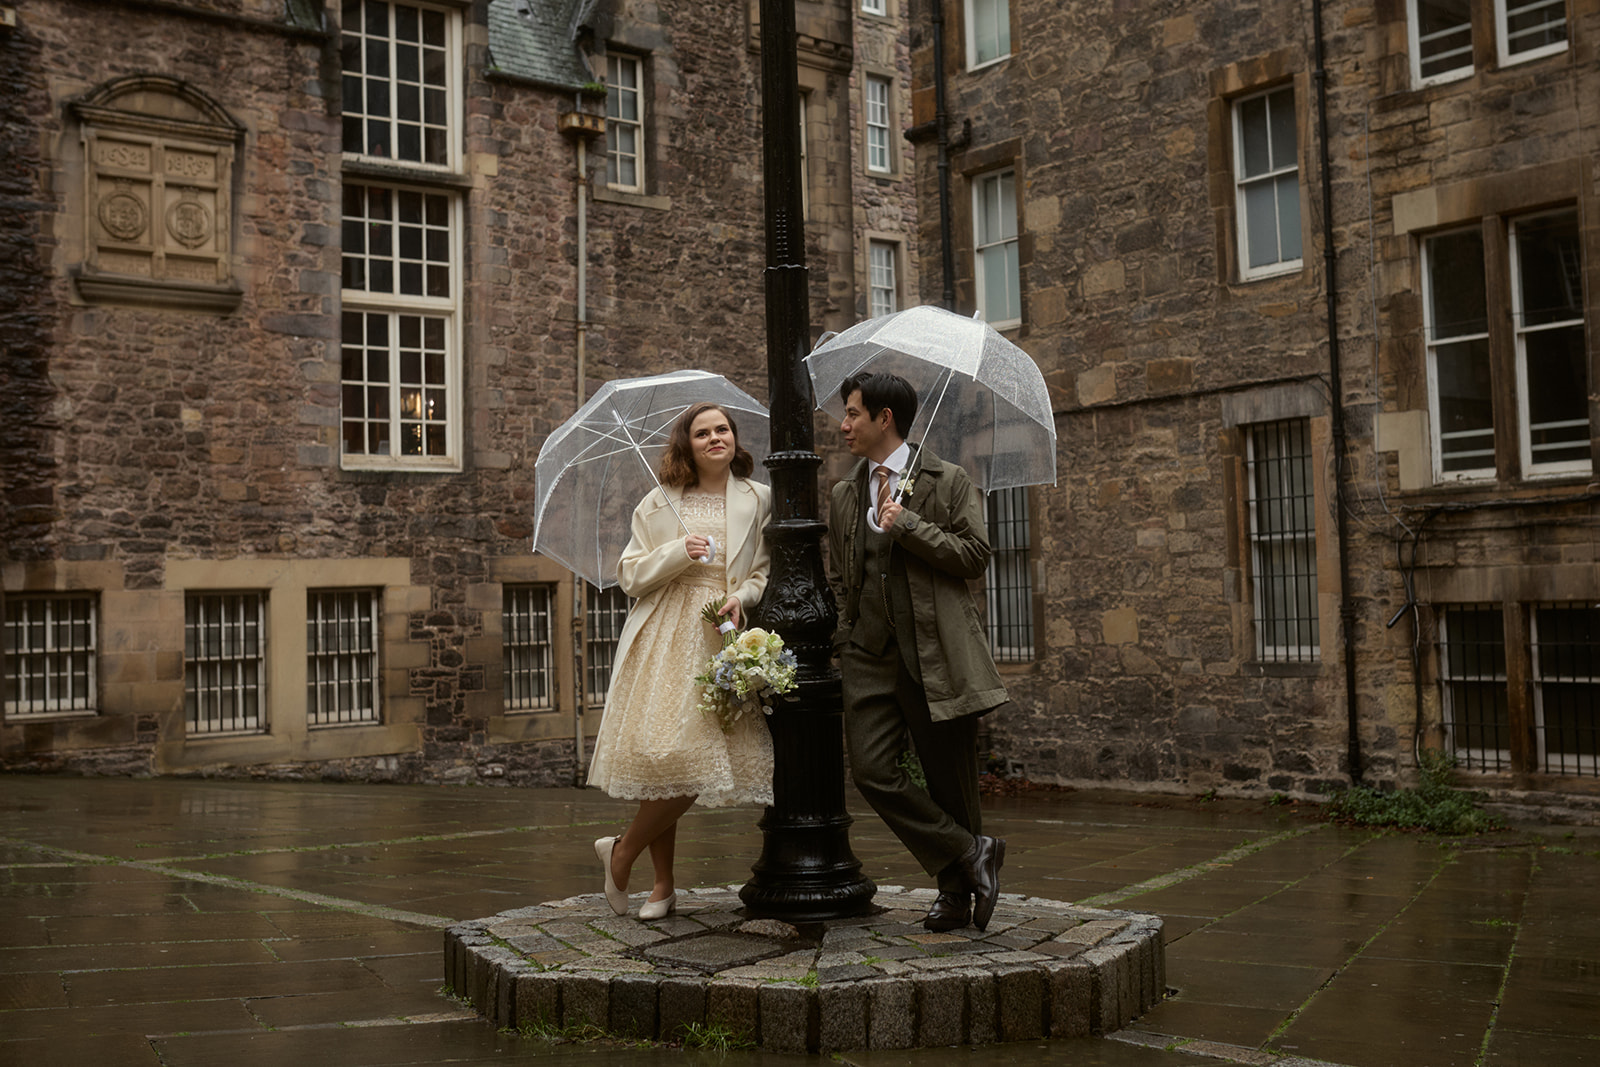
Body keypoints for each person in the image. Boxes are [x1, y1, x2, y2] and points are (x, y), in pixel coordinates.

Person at [827, 371, 1008, 933]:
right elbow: (841, 574)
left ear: (885, 418)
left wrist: (907, 524)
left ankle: (955, 894)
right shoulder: (844, 493)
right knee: (872, 771)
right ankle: (969, 849)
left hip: (936, 652)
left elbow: (974, 556)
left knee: (950, 779)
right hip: (868, 655)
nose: (843, 425)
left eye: (853, 413)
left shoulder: (947, 480)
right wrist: (846, 636)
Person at [588, 402, 774, 920]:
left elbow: (761, 570)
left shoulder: (760, 498)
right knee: (666, 759)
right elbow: (629, 575)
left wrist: (745, 599)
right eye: (702, 432)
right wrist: (678, 551)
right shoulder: (660, 500)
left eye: (722, 430)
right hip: (665, 635)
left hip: (721, 633)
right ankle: (662, 885)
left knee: (693, 759)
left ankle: (620, 851)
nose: (715, 438)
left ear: (734, 439)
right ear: (686, 444)